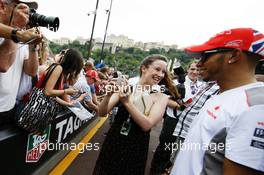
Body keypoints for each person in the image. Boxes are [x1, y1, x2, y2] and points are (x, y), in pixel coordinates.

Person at [171, 28, 264, 175]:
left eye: (205, 56)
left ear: (234, 55)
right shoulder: (223, 94)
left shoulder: (254, 108)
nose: (199, 63)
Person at [93, 54, 170, 175]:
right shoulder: (126, 88)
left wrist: (127, 103)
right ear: (143, 68)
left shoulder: (161, 97)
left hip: (136, 146)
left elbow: (147, 125)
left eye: (163, 72)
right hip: (114, 141)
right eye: (157, 69)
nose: (160, 74)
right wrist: (108, 96)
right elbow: (102, 112)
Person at [0, 0, 42, 127]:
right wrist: (16, 28)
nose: (26, 14)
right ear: (2, 6)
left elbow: (31, 71)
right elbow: (3, 65)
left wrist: (33, 45)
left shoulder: (20, 34)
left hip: (9, 107)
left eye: (28, 11)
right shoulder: (15, 32)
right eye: (20, 7)